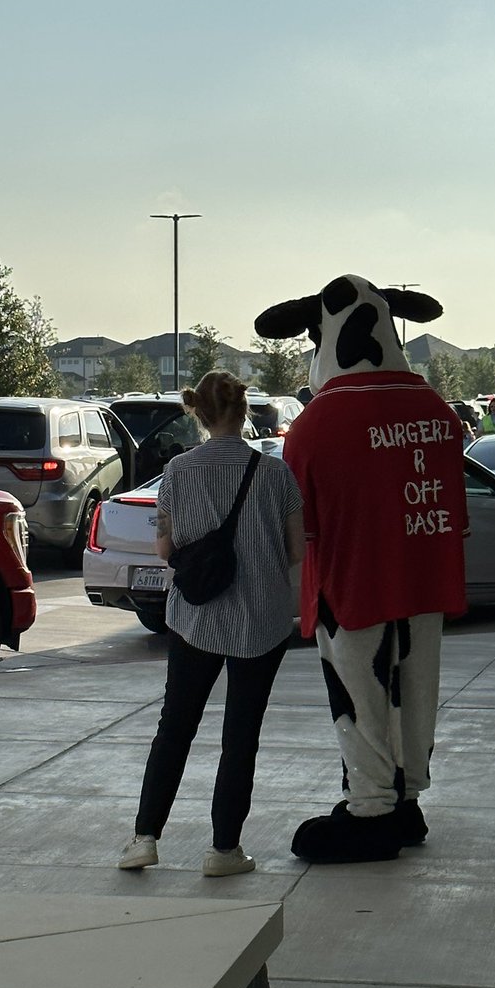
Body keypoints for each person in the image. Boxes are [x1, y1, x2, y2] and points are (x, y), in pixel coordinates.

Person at [254, 274, 469, 864]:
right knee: (416, 686)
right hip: (424, 577)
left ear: (320, 334)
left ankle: (371, 806)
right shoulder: (436, 412)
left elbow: (300, 532)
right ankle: (407, 797)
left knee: (359, 691)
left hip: (349, 586)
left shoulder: (317, 426)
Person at [118, 369, 305, 876]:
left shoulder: (178, 471)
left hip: (194, 618)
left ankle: (144, 839)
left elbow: (165, 547)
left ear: (197, 413)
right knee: (240, 735)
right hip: (260, 622)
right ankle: (224, 850)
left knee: (175, 728)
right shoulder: (274, 474)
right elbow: (294, 550)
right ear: (245, 412)